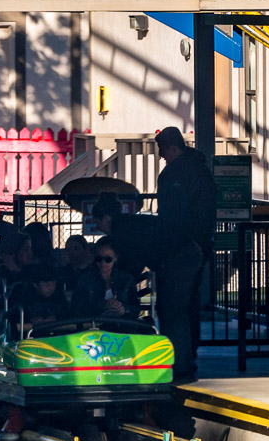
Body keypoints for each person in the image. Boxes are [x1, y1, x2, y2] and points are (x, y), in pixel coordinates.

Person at [153, 126, 215, 380]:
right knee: (187, 304)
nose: (161, 156)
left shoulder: (175, 175)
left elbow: (174, 214)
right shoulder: (199, 171)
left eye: (162, 150)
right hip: (194, 247)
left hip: (179, 249)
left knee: (174, 306)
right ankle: (188, 356)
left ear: (171, 148)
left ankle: (179, 358)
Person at [73, 238, 138, 320]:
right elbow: (77, 308)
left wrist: (124, 309)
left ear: (115, 258)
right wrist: (102, 305)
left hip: (122, 328)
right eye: (99, 259)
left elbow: (136, 309)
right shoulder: (85, 280)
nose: (103, 264)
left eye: (108, 259)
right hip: (94, 328)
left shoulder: (126, 280)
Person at [17, 263, 69, 330]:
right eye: (47, 285)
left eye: (54, 284)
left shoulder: (59, 298)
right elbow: (16, 319)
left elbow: (67, 316)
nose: (51, 288)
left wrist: (56, 319)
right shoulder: (26, 300)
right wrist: (30, 321)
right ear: (35, 284)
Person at [58, 235, 93, 301]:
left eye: (76, 249)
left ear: (85, 250)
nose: (72, 253)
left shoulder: (92, 272)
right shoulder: (62, 273)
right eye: (68, 250)